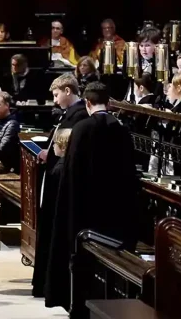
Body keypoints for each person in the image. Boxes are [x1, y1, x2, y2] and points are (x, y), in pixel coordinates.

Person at [45, 81, 138, 312]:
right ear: (109, 103)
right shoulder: (121, 129)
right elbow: (129, 173)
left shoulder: (82, 128)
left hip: (84, 207)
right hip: (114, 210)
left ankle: (78, 305)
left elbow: (72, 172)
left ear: (87, 102)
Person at [31, 76, 86, 298]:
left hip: (62, 178)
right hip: (54, 174)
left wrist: (50, 154)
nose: (55, 101)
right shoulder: (69, 114)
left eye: (56, 95)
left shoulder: (79, 114)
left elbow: (66, 148)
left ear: (67, 90)